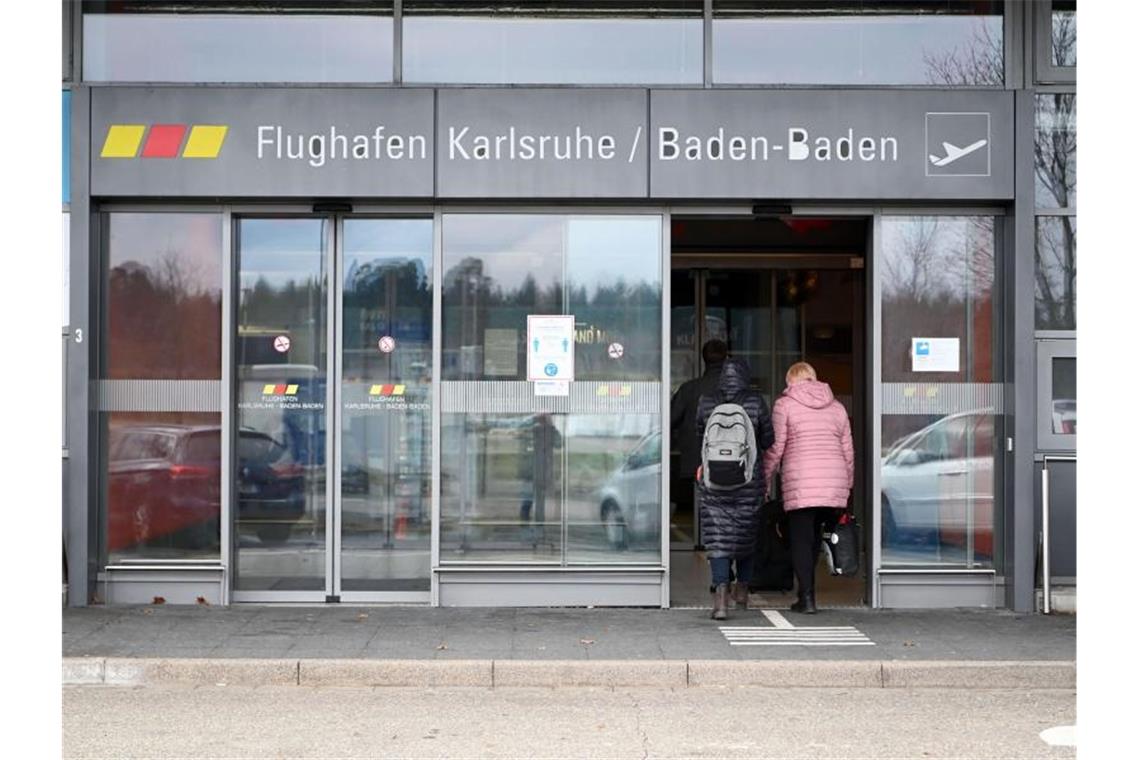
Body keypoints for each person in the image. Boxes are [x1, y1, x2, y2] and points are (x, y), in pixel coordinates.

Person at [762, 362, 855, 614]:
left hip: (802, 483)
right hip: (833, 483)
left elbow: (776, 448)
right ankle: (808, 592)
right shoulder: (837, 408)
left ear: (790, 381)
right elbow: (848, 453)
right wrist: (847, 485)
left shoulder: (785, 405)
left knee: (801, 541)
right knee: (813, 539)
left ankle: (807, 598)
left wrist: (764, 479)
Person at [694, 356, 774, 620]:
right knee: (745, 536)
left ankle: (720, 599)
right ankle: (742, 589)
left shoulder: (707, 400)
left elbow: (698, 435)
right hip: (748, 480)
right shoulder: (755, 401)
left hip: (714, 482)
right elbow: (768, 439)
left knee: (718, 540)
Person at [670, 339, 728, 545]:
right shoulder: (740, 391)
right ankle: (725, 546)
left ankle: (706, 544)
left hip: (699, 460)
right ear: (726, 359)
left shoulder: (689, 389)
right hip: (734, 460)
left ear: (704, 359)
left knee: (705, 504)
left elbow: (671, 419)